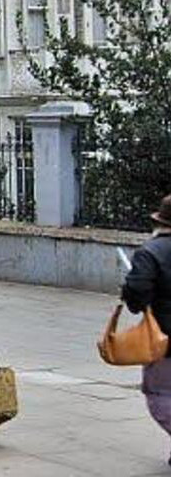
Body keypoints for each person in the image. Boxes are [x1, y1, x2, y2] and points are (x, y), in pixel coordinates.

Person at [121, 193, 171, 463]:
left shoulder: (150, 251)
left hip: (165, 337)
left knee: (161, 394)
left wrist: (131, 296)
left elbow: (137, 292)